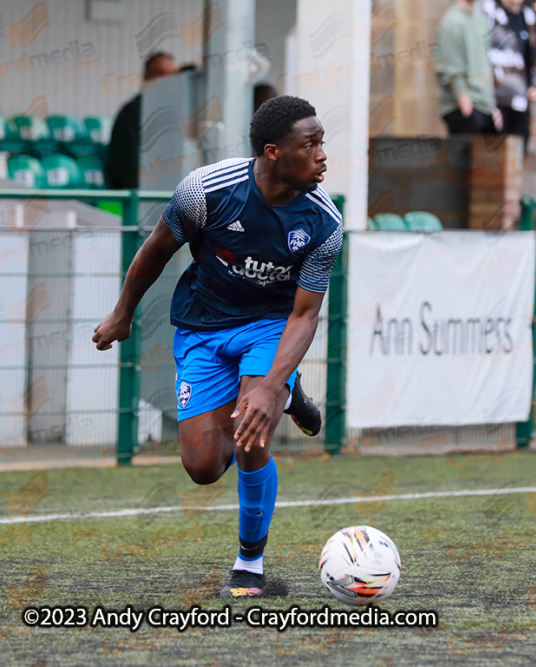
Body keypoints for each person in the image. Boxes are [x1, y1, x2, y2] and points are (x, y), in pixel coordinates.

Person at [93, 96, 340, 596]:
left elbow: (305, 313)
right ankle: (289, 397)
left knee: (250, 438)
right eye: (309, 145)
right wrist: (123, 312)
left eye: (322, 142)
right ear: (273, 152)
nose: (321, 155)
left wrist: (271, 384)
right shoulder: (206, 191)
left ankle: (249, 565)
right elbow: (156, 250)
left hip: (271, 328)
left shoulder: (324, 224)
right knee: (203, 467)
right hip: (203, 326)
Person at [104, 52, 179, 189]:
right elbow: (126, 169)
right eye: (160, 73)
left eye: (172, 74)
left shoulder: (173, 112)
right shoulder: (132, 112)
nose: (167, 79)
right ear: (146, 77)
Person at [481, 0, 536, 146]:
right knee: (489, 152)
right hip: (492, 98)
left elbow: (533, 54)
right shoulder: (488, 12)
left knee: (519, 144)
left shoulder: (527, 15)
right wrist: (487, 102)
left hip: (519, 97)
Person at [435, 0, 503, 135]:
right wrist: (462, 96)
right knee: (463, 156)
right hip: (463, 107)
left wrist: (491, 105)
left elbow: (486, 62)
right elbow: (448, 66)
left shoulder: (481, 19)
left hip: (484, 106)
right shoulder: (452, 21)